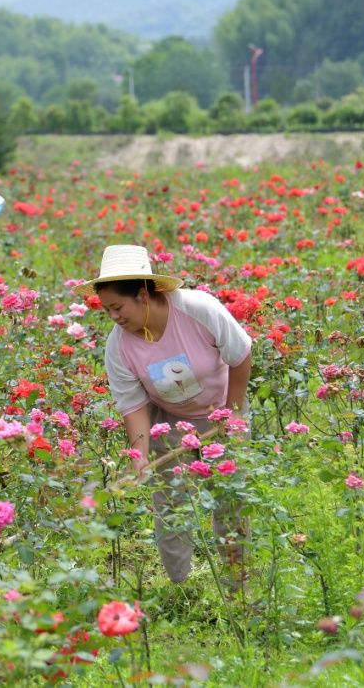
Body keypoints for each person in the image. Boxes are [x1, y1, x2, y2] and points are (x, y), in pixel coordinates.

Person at [74, 245, 251, 585]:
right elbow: (132, 405)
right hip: (169, 421)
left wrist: (232, 413)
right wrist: (139, 457)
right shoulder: (119, 346)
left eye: (117, 307)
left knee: (231, 503)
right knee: (171, 506)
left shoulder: (198, 309)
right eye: (106, 309)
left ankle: (236, 587)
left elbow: (240, 354)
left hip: (224, 410)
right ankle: (181, 588)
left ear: (142, 294)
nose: (113, 316)